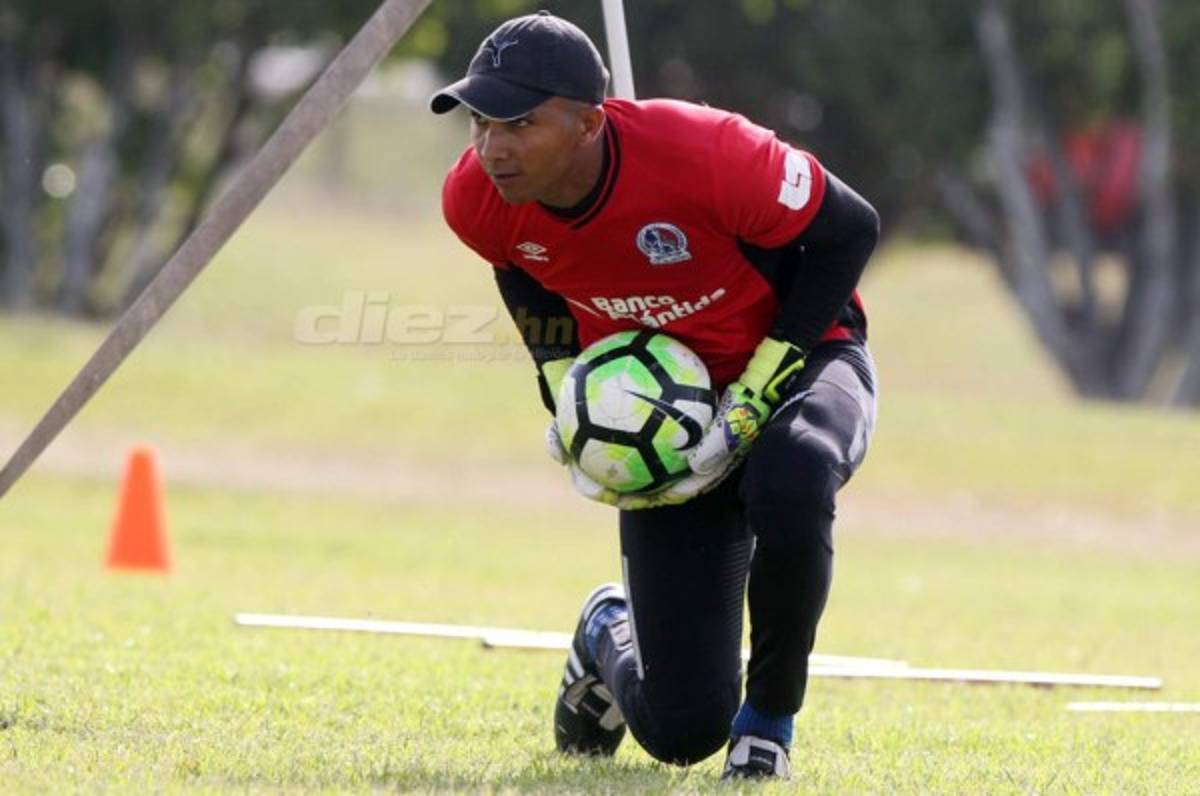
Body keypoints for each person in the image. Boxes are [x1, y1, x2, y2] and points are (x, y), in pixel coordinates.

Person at [430, 11, 878, 780]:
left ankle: (767, 726)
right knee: (679, 733)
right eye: (481, 120)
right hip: (662, 419)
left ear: (586, 123)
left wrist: (753, 397)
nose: (492, 146)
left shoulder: (709, 152)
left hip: (804, 360)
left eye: (520, 122)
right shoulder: (477, 199)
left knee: (794, 475)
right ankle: (607, 630)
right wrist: (561, 387)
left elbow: (851, 230)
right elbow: (519, 268)